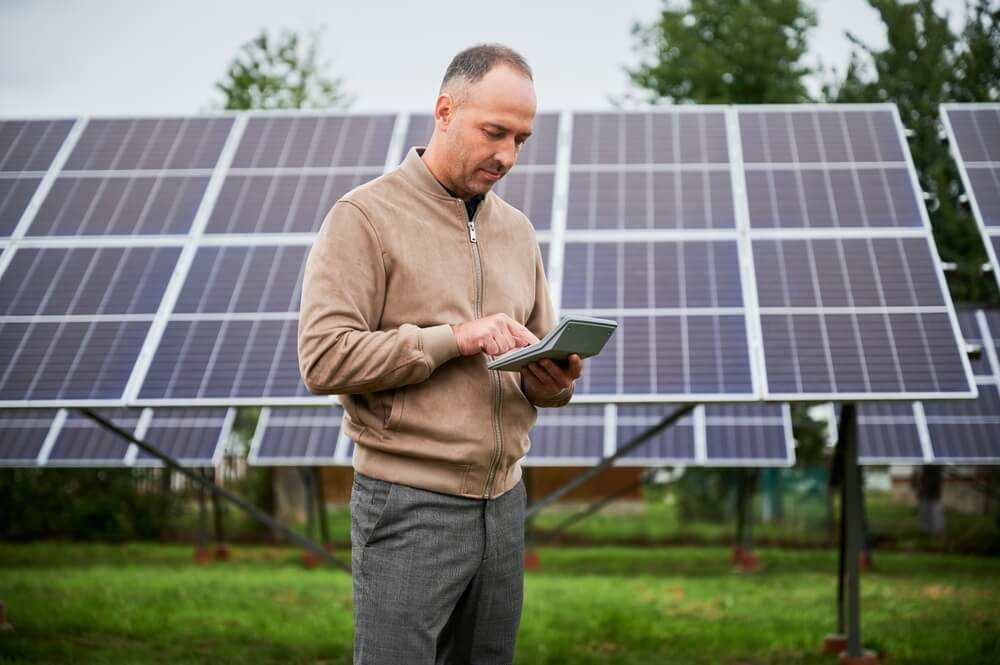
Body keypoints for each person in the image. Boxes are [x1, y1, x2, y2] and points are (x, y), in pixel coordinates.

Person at [298, 43, 583, 665]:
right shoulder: (363, 218)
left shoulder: (519, 231)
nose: (507, 155)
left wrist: (553, 378)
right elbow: (323, 358)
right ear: (445, 110)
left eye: (521, 139)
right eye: (494, 132)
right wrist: (455, 338)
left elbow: (537, 367)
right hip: (408, 503)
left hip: (504, 504)